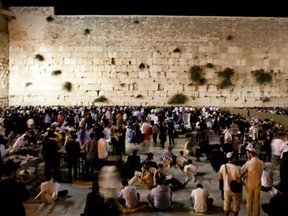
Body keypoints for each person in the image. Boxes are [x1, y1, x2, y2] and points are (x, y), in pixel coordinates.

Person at [241, 146, 265, 216]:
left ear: (251, 154)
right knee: (257, 202)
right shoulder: (261, 162)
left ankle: (250, 214)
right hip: (258, 185)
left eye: (247, 153)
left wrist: (247, 174)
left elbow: (242, 171)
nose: (247, 155)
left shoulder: (248, 163)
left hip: (249, 185)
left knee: (249, 203)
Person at [218, 151, 242, 216]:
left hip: (226, 189)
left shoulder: (223, 166)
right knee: (236, 206)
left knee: (226, 205)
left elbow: (219, 177)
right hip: (235, 190)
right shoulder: (237, 168)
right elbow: (239, 181)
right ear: (233, 158)